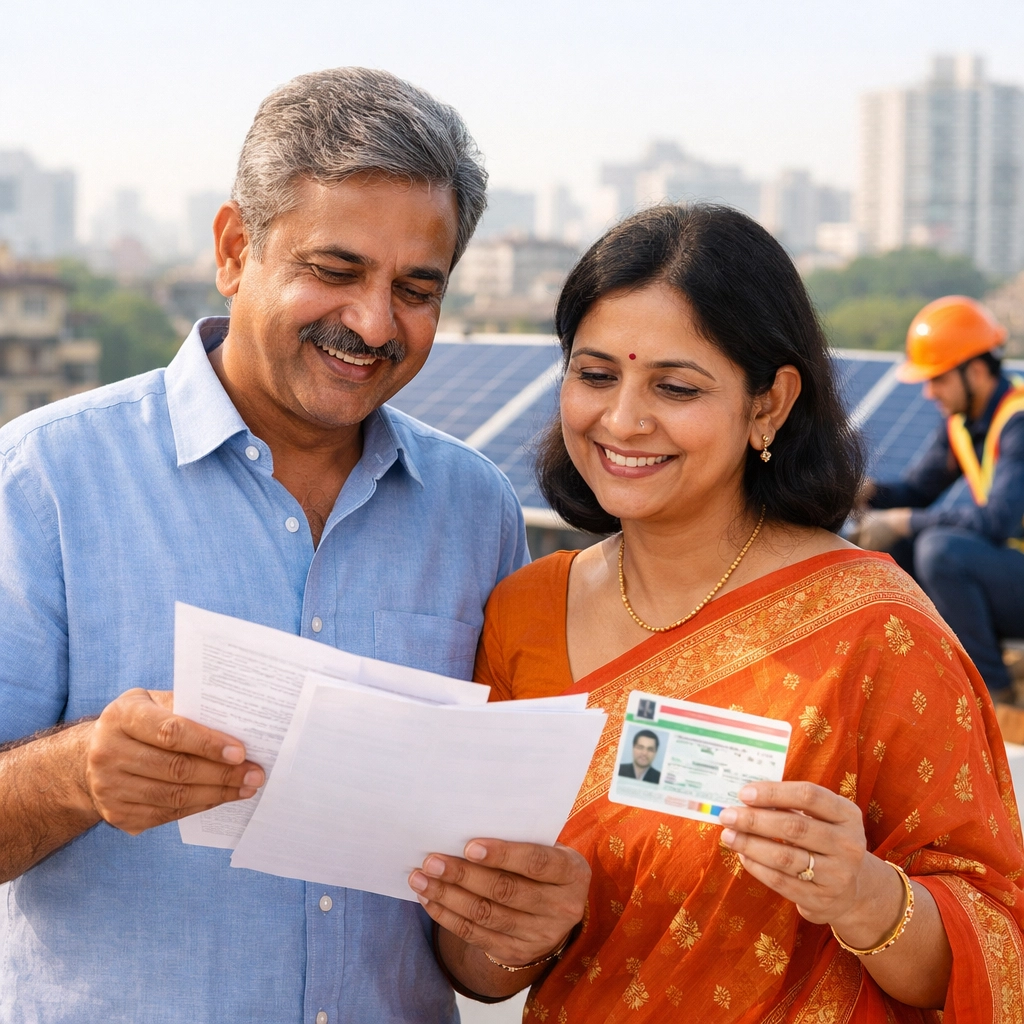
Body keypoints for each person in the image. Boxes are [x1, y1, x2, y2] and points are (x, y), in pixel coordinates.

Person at [0, 67, 548, 1024]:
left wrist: (519, 917)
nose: (373, 323)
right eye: (335, 271)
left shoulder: (477, 509)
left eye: (415, 289)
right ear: (233, 249)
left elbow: (483, 929)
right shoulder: (44, 481)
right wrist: (81, 772)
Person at [411, 206, 1024, 1021]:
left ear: (769, 404)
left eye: (675, 387)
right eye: (595, 375)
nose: (623, 420)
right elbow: (478, 966)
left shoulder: (875, 630)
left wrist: (866, 898)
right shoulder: (525, 612)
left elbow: (999, 947)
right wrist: (514, 933)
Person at [854, 296, 1024, 704]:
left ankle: (995, 693)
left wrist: (902, 521)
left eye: (939, 379)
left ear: (976, 371)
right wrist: (865, 491)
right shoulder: (962, 423)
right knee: (899, 547)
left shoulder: (1018, 423)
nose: (929, 393)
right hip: (1010, 573)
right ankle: (918, 672)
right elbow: (916, 491)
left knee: (940, 551)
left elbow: (997, 521)